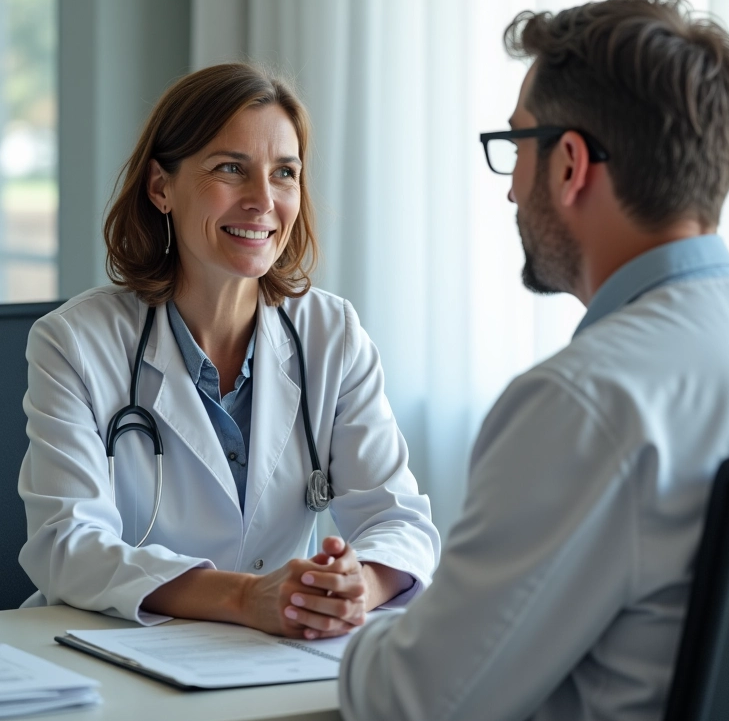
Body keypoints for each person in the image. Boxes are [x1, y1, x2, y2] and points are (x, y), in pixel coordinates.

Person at [339, 0, 729, 721]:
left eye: (516, 147)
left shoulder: (585, 401)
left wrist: (363, 637)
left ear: (569, 164)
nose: (509, 187)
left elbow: (413, 709)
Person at [18, 63, 439, 638]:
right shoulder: (74, 342)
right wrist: (246, 598)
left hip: (276, 655)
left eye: (284, 173)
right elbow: (69, 546)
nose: (263, 200)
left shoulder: (331, 333)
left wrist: (349, 589)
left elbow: (399, 519)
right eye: (230, 169)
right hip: (112, 650)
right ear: (161, 187)